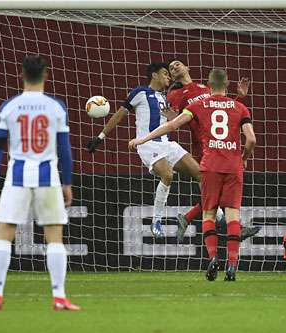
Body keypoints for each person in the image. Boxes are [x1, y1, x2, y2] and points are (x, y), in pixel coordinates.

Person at [129, 69, 256, 282]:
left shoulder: (198, 105)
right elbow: (251, 139)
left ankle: (213, 258)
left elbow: (171, 125)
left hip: (210, 165)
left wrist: (142, 139)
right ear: (227, 85)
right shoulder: (240, 107)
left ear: (208, 85)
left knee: (209, 214)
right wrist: (244, 156)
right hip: (233, 166)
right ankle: (232, 266)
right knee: (233, 215)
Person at [0, 55, 79, 311]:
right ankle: (59, 297)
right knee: (54, 238)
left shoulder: (10, 106)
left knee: (4, 235)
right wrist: (67, 183)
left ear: (23, 74)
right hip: (48, 177)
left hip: (16, 177)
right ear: (45, 74)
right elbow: (64, 149)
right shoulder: (55, 107)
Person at [86, 62, 201, 238]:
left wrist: (173, 117)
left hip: (168, 143)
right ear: (154, 75)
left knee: (201, 174)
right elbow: (119, 114)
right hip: (147, 145)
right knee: (168, 175)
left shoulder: (166, 97)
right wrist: (100, 136)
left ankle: (220, 217)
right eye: (165, 74)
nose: (168, 77)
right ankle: (156, 221)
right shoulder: (140, 92)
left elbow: (173, 121)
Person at [166, 59, 257, 242]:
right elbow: (174, 121)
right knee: (217, 196)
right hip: (204, 149)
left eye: (177, 63)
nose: (174, 66)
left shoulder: (203, 89)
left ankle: (188, 217)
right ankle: (234, 228)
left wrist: (238, 98)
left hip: (220, 146)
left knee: (215, 195)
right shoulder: (174, 95)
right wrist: (172, 118)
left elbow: (222, 112)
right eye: (171, 67)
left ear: (187, 67)